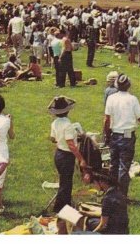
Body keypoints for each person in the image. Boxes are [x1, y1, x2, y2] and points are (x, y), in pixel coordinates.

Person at [103, 74, 140, 196]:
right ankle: (121, 196)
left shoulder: (111, 98)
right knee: (124, 167)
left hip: (114, 134)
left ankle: (111, 193)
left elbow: (106, 119)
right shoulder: (132, 99)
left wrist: (106, 134)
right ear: (129, 85)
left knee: (113, 165)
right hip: (127, 135)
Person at [48, 96, 88, 228]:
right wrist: (81, 159)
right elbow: (71, 145)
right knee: (66, 184)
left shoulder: (55, 123)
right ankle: (61, 209)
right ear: (67, 111)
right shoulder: (68, 125)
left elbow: (53, 138)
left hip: (58, 154)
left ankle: (64, 207)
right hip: (66, 156)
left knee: (64, 182)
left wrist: (61, 139)